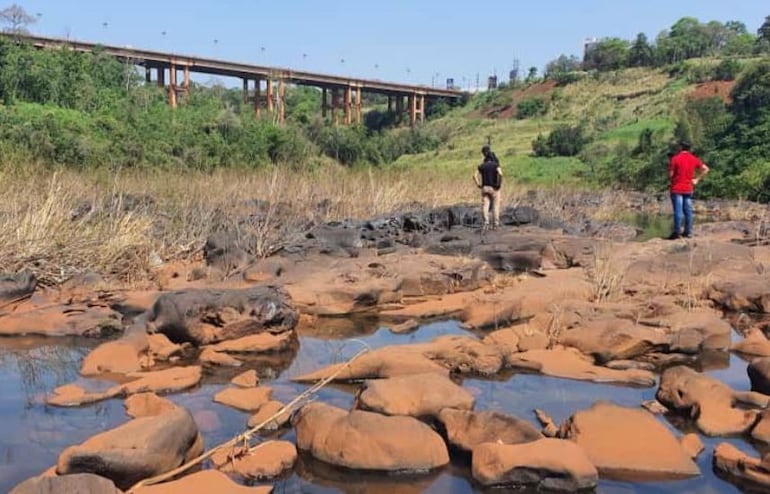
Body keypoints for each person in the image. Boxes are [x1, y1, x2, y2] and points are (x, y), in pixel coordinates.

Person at [667, 140, 709, 239]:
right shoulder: (693, 159)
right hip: (688, 188)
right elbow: (706, 169)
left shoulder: (675, 158)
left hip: (677, 188)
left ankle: (677, 232)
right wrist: (697, 179)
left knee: (678, 211)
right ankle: (688, 232)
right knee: (688, 211)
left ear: (681, 147)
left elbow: (670, 175)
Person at [473, 145, 503, 230]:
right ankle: (496, 224)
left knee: (485, 205)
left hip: (485, 187)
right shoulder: (495, 165)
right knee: (495, 206)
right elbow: (500, 174)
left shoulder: (482, 166)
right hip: (494, 188)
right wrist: (499, 184)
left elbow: (474, 175)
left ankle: (486, 222)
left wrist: (478, 184)